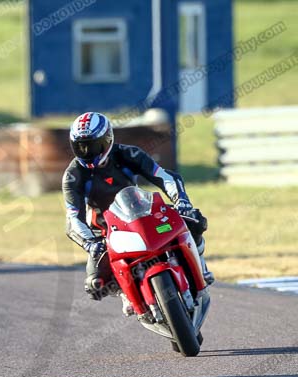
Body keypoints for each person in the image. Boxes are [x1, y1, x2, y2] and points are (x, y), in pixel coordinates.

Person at [62, 112, 213, 313]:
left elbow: (164, 177)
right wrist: (90, 243)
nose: (87, 152)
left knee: (194, 220)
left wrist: (182, 201)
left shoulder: (128, 154)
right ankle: (126, 293)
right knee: (95, 285)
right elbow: (73, 218)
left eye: (92, 145)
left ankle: (200, 267)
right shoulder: (73, 176)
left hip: (142, 215)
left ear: (107, 140)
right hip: (106, 232)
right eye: (80, 147)